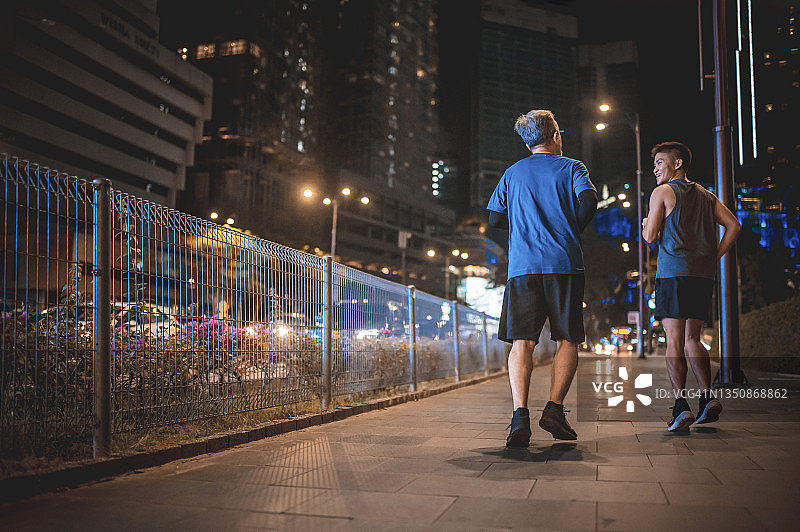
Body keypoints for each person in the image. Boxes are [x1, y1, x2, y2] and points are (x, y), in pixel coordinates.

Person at [487, 110, 597, 447]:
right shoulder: (572, 167)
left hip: (523, 267)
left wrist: (524, 228)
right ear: (555, 135)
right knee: (567, 338)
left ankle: (519, 414)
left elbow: (494, 218)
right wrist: (569, 230)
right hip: (564, 264)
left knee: (523, 341)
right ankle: (554, 409)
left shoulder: (512, 173)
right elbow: (589, 201)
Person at [642, 141, 741, 431]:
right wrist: (713, 256)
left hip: (673, 274)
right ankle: (708, 398)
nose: (655, 168)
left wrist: (647, 221)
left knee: (674, 340)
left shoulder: (662, 192)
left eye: (660, 162)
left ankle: (680, 406)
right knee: (693, 339)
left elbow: (649, 237)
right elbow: (734, 226)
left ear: (678, 163)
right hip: (701, 275)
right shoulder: (707, 195)